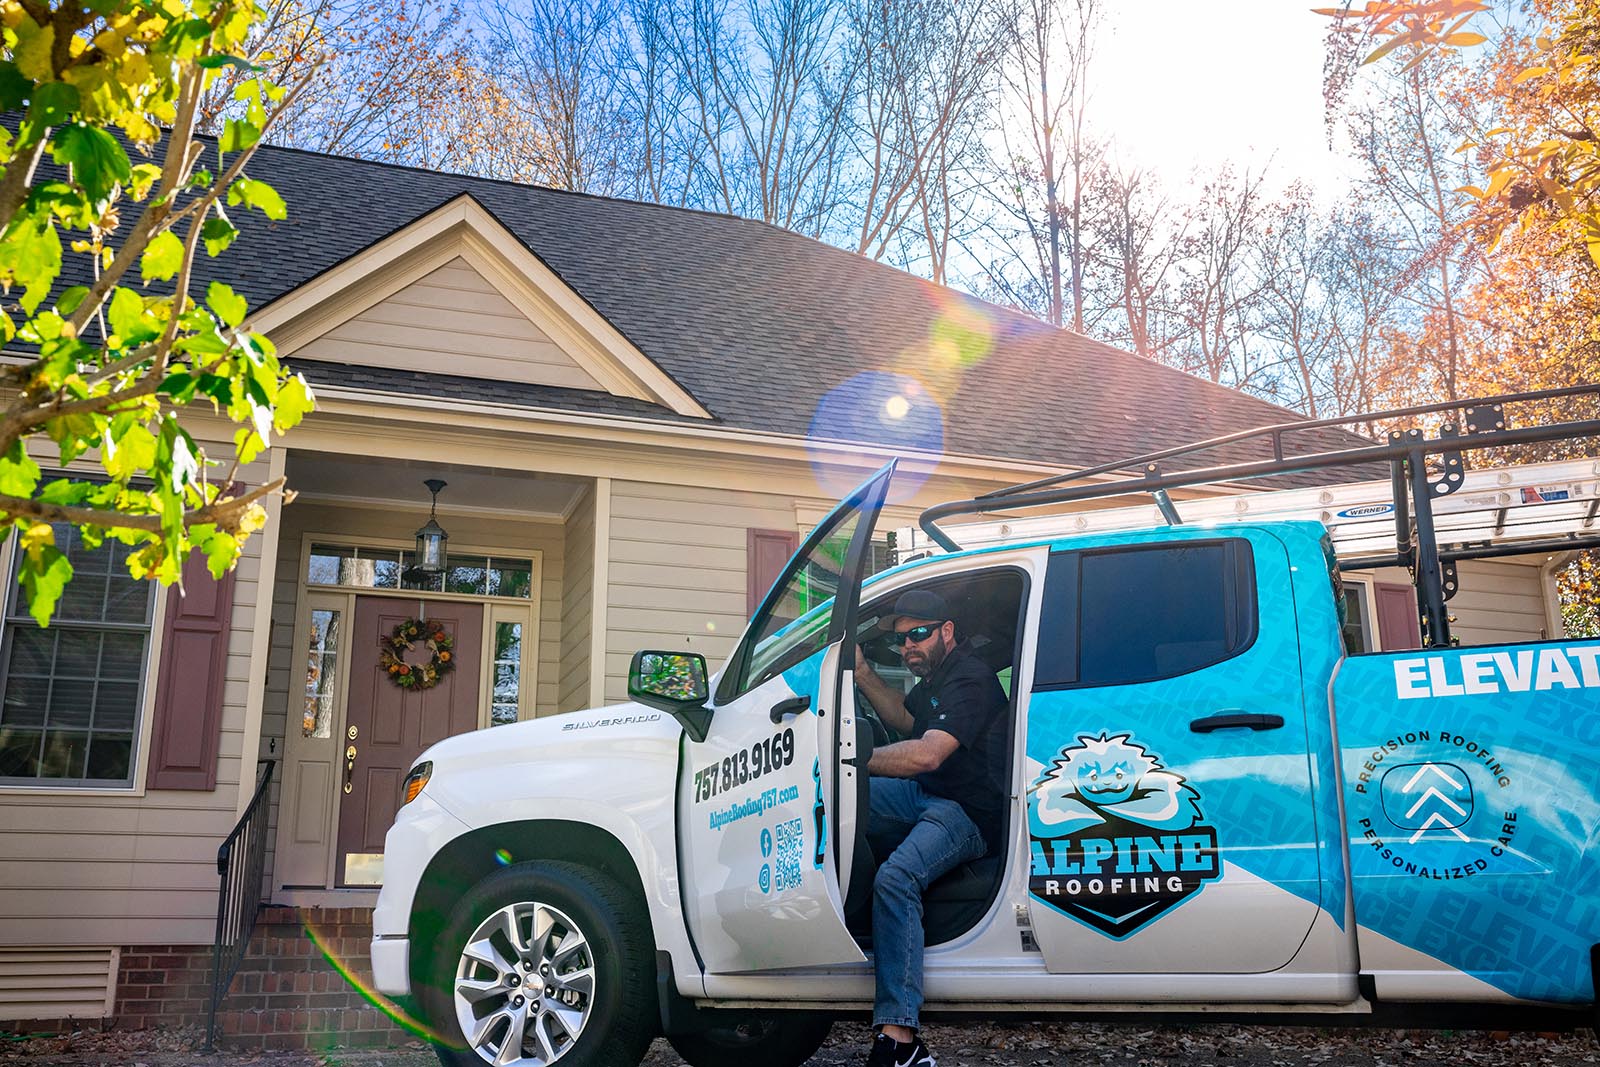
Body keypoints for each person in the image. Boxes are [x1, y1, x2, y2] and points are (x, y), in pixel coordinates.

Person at [852, 589, 1009, 1067]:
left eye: (917, 634)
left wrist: (849, 759)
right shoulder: (937, 675)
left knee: (896, 879)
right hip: (925, 793)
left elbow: (926, 753)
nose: (908, 647)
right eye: (902, 640)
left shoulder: (971, 679)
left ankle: (901, 1042)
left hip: (966, 811)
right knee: (832, 803)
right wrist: (861, 674)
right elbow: (906, 719)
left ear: (947, 631)